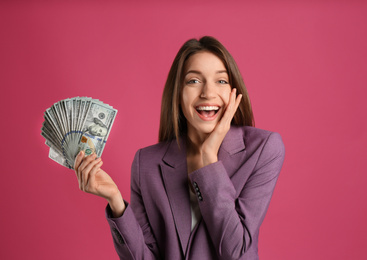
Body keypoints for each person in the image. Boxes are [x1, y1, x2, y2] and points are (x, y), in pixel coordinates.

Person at [74, 36, 285, 260]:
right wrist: (116, 201)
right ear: (178, 93)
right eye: (194, 81)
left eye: (221, 81)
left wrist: (209, 158)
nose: (208, 93)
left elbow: (234, 250)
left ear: (234, 92)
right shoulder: (146, 163)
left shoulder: (263, 149)